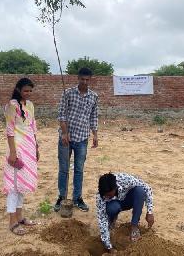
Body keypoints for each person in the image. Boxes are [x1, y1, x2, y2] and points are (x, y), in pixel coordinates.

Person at [54, 67, 99, 212]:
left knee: (79, 170)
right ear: (78, 78)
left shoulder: (94, 96)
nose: (85, 82)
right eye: (82, 79)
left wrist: (95, 134)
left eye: (87, 80)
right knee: (64, 169)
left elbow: (93, 117)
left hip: (82, 138)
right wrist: (65, 133)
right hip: (66, 138)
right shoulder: (67, 93)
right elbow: (61, 115)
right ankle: (62, 197)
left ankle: (77, 198)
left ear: (90, 80)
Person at [2, 77, 40, 235]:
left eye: (30, 90)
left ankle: (20, 217)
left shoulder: (29, 105)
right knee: (13, 186)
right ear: (18, 90)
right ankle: (12, 222)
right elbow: (10, 130)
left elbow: (33, 126)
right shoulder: (12, 105)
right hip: (16, 148)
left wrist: (36, 147)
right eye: (25, 90)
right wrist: (12, 153)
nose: (28, 93)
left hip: (29, 148)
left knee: (22, 184)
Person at [96, 172, 155, 253]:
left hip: (128, 200)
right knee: (112, 209)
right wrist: (109, 247)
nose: (107, 197)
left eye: (109, 195)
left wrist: (150, 211)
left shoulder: (125, 180)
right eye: (106, 196)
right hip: (114, 205)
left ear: (115, 187)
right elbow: (102, 220)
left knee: (140, 191)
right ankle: (112, 220)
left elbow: (147, 188)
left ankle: (134, 226)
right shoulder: (101, 196)